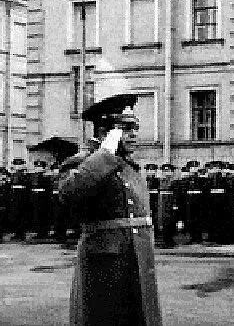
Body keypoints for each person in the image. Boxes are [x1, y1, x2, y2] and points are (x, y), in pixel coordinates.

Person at [58, 93, 162, 326]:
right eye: (126, 128)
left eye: (135, 127)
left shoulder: (129, 166)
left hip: (138, 261)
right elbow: (69, 192)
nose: (134, 134)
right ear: (105, 131)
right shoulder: (83, 162)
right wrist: (104, 153)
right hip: (105, 265)